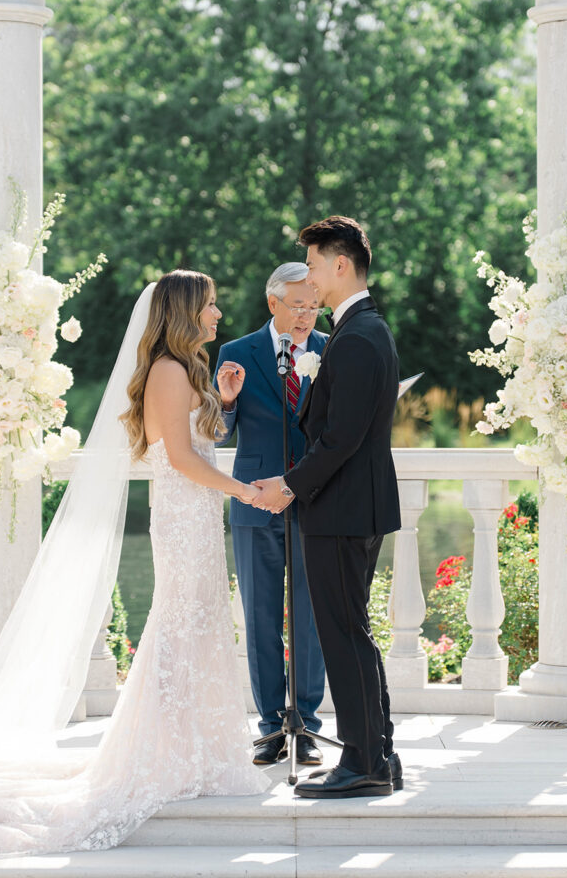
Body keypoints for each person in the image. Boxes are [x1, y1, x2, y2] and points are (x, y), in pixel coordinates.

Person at [0, 270, 267, 857]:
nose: (217, 314)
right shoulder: (167, 370)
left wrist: (224, 400)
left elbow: (196, 438)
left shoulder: (187, 369)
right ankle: (158, 754)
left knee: (200, 626)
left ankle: (194, 751)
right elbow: (181, 458)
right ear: (185, 312)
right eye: (209, 305)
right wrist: (245, 491)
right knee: (179, 627)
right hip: (184, 516)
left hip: (197, 515)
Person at [252, 217, 403, 800]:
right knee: (352, 632)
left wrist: (288, 487)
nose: (310, 278)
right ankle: (379, 754)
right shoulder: (360, 329)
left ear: (341, 265)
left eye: (314, 265)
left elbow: (341, 439)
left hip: (342, 511)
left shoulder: (359, 337)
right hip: (351, 507)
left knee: (344, 636)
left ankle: (364, 762)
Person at [215, 263, 327, 766]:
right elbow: (217, 434)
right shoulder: (236, 353)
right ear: (273, 303)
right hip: (256, 502)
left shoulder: (332, 349)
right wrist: (226, 401)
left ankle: (306, 725)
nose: (306, 315)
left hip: (316, 500)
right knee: (261, 619)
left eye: (314, 306)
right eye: (298, 305)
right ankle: (269, 728)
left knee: (311, 619)